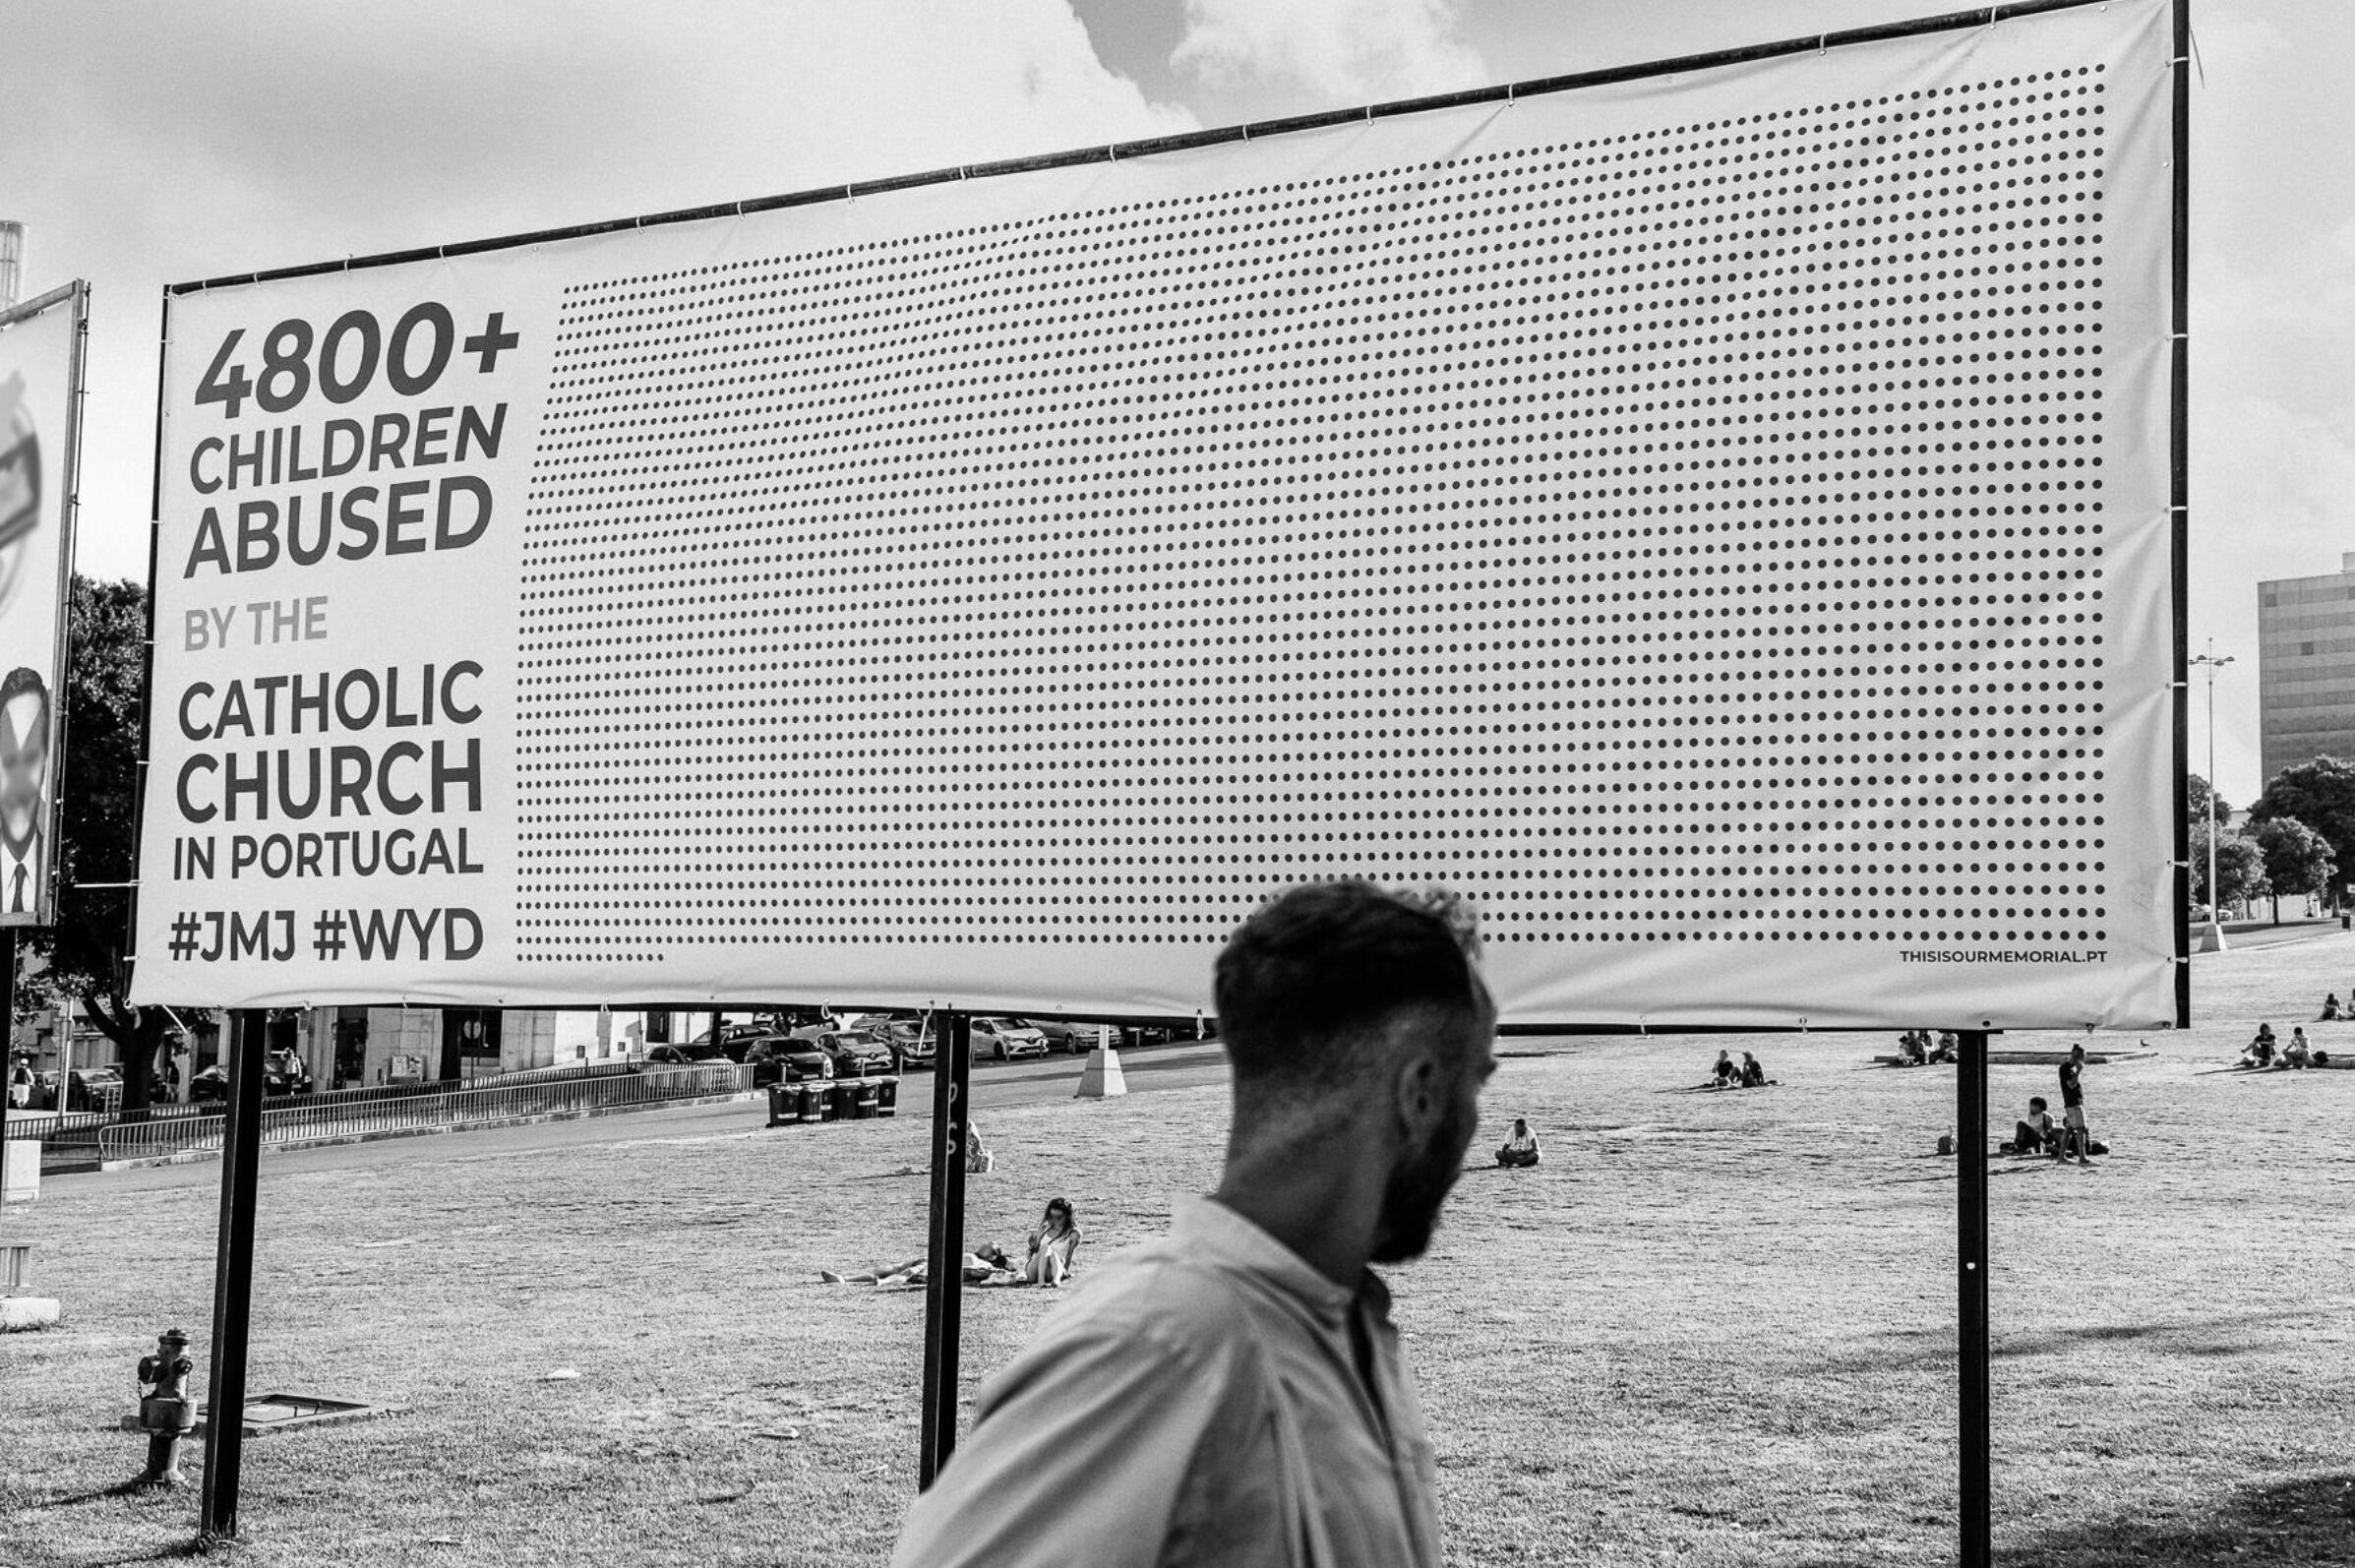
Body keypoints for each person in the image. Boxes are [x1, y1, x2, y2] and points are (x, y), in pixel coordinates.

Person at [889, 880, 1493, 1568]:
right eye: (1476, 1080)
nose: (1475, 1121)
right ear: (1420, 1094)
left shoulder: (1346, 1326)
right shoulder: (1163, 1349)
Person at [1023, 1198, 1082, 1286]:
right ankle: (1041, 1280)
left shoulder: (1074, 1234)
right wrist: (1031, 1247)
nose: (1054, 1220)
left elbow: (1069, 1257)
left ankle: (1056, 1280)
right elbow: (1029, 1257)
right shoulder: (1043, 1229)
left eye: (1058, 1217)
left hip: (1055, 1268)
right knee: (1047, 1249)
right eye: (1051, 1216)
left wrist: (1065, 1271)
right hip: (1035, 1270)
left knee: (1053, 1254)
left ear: (1067, 1216)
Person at [2057, 1044, 2093, 1166]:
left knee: (2069, 1130)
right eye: (2082, 1057)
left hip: (2072, 1104)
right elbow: (2071, 1085)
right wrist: (2078, 1071)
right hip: (2073, 1104)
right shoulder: (2067, 1068)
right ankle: (2082, 1158)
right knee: (2081, 1129)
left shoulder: (2069, 1068)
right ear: (2077, 1056)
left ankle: (2061, 1157)